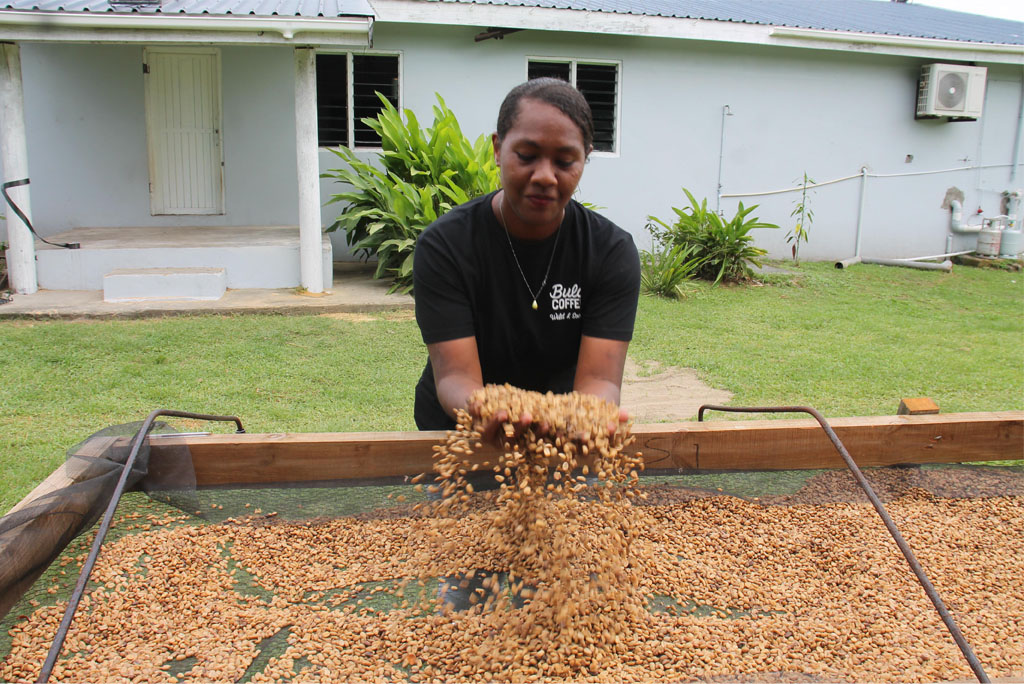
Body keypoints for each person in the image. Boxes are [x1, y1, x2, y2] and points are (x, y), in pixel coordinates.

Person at [413, 77, 641, 437]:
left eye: (565, 161)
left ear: (585, 160)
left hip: (563, 436)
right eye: (527, 156)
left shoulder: (610, 252)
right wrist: (491, 411)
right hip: (461, 432)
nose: (545, 176)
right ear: (498, 148)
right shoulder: (445, 246)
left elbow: (599, 380)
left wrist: (589, 417)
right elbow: (456, 377)